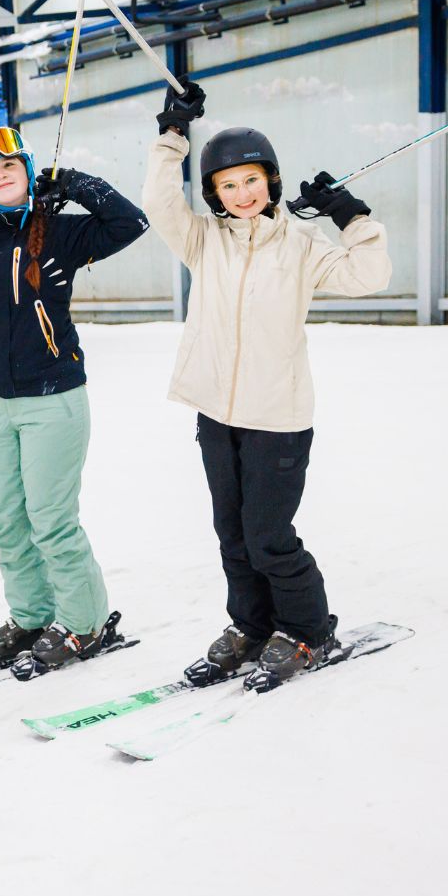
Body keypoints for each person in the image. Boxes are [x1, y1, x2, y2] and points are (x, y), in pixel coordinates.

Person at [146, 80, 392, 690]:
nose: (241, 193)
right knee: (232, 534)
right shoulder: (204, 242)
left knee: (269, 537)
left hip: (278, 417)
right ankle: (252, 627)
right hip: (215, 413)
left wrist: (349, 215)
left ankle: (308, 630)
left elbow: (371, 274)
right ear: (214, 195)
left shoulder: (303, 248)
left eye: (251, 180)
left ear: (272, 182)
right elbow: (159, 203)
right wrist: (173, 135)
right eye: (227, 186)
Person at [0, 127, 149, 676]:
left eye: (10, 165)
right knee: (7, 520)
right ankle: (33, 616)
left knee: (50, 518)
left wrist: (73, 183)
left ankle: (84, 621)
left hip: (53, 397)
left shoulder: (61, 233)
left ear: (29, 169)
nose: (0, 174)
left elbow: (131, 222)